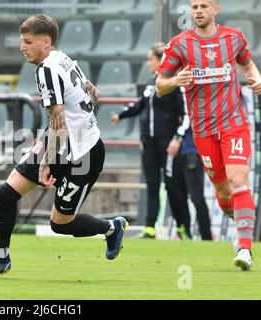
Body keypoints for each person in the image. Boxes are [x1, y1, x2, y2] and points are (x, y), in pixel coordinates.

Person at [0, 14, 128, 279]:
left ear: (45, 41)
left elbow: (59, 123)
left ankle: (111, 227)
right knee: (7, 193)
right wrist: (87, 90)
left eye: (27, 42)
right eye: (22, 41)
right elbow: (91, 92)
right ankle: (0, 258)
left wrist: (45, 163)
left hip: (83, 154)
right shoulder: (60, 57)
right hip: (60, 143)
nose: (22, 47)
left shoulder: (47, 69)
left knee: (60, 224)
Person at [156, 0, 261, 271]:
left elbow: (248, 66)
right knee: (224, 193)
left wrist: (256, 78)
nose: (198, 11)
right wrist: (174, 82)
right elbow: (159, 86)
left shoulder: (233, 38)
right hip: (203, 131)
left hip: (233, 124)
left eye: (204, 5)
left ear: (216, 9)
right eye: (194, 7)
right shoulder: (180, 44)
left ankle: (244, 249)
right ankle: (242, 224)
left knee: (239, 181)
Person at [111, 43, 191, 240]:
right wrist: (120, 116)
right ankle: (149, 228)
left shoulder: (173, 83)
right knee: (152, 184)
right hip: (148, 143)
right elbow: (140, 105)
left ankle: (183, 227)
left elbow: (186, 115)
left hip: (168, 143)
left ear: (160, 60)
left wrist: (177, 139)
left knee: (173, 186)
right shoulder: (149, 83)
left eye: (150, 59)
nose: (148, 63)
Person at [179, 126, 213, 240]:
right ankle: (185, 233)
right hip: (179, 152)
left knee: (197, 198)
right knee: (179, 195)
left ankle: (206, 236)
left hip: (192, 151)